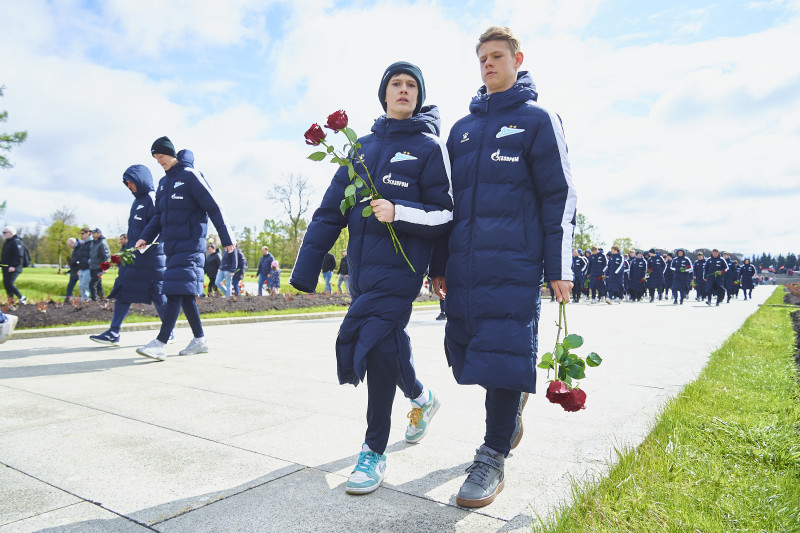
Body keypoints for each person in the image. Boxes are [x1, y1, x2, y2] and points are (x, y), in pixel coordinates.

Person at [430, 27, 576, 508]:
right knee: (466, 352)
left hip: (515, 264)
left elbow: (559, 195)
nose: (488, 63)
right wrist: (439, 263)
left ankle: (492, 456)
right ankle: (511, 411)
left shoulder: (538, 120)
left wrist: (559, 265)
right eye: (482, 58)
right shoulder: (461, 130)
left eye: (497, 56)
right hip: (464, 267)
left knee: (502, 352)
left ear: (518, 59)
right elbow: (445, 203)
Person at [291, 61, 452, 496]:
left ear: (419, 96)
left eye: (412, 85)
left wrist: (400, 214)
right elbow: (330, 212)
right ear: (383, 94)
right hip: (362, 272)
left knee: (376, 344)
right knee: (386, 342)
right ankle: (421, 398)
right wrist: (306, 270)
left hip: (402, 269)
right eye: (396, 83)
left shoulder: (429, 148)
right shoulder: (357, 148)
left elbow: (444, 215)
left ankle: (373, 449)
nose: (404, 90)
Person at [135, 136, 235, 360]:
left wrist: (226, 237)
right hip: (171, 247)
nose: (159, 161)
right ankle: (200, 341)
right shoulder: (164, 183)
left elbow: (214, 206)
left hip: (190, 245)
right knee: (185, 293)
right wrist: (145, 237)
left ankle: (160, 343)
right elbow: (158, 217)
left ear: (171, 154)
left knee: (174, 290)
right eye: (155, 158)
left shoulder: (190, 176)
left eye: (161, 155)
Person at [89, 165, 168, 346]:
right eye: (126, 183)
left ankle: (168, 331)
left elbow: (159, 228)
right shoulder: (137, 202)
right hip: (133, 258)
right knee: (123, 290)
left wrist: (143, 247)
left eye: (131, 182)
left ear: (141, 180)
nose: (129, 186)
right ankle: (113, 332)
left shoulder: (152, 199)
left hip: (151, 260)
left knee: (157, 295)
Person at [1, 226, 27, 304]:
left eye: (5, 233)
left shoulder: (16, 242)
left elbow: (19, 255)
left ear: (11, 233)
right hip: (6, 267)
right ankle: (11, 301)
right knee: (6, 284)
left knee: (9, 283)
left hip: (14, 267)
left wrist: (14, 266)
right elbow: (5, 256)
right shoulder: (7, 242)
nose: (3, 234)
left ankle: (21, 297)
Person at [88, 228, 110, 301]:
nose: (92, 234)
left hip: (99, 268)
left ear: (99, 234)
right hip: (92, 267)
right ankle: (102, 298)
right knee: (98, 285)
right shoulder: (92, 243)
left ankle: (94, 300)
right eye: (92, 233)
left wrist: (106, 268)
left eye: (94, 233)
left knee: (92, 284)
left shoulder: (102, 243)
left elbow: (106, 256)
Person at [75, 228, 92, 301]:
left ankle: (95, 298)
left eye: (83, 233)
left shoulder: (92, 243)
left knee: (86, 285)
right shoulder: (82, 244)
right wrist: (79, 268)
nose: (81, 235)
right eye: (81, 234)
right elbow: (80, 257)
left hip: (88, 268)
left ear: (88, 233)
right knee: (81, 286)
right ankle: (84, 301)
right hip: (82, 268)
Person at [64, 237, 81, 302]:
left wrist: (80, 268)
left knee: (83, 286)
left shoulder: (81, 247)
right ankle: (68, 298)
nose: (70, 247)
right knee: (70, 285)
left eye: (70, 245)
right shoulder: (75, 249)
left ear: (73, 242)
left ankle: (89, 299)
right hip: (74, 270)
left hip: (79, 270)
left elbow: (81, 259)